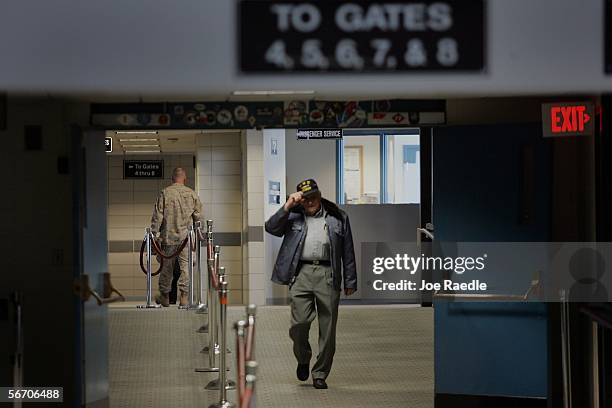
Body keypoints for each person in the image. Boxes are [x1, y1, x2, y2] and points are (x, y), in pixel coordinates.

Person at [265, 179, 357, 389]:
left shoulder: (337, 216)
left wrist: (350, 280)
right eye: (305, 199)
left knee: (328, 328)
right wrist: (287, 205)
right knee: (299, 325)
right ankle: (303, 358)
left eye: (313, 197)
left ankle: (320, 373)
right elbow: (271, 228)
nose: (309, 202)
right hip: (301, 273)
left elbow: (348, 251)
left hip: (327, 274)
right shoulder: (293, 215)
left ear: (320, 194)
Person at [151, 167, 202, 307]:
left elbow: (158, 215)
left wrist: (154, 234)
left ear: (172, 178)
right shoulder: (191, 194)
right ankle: (184, 297)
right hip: (186, 238)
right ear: (184, 178)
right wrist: (199, 235)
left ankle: (165, 296)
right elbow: (198, 217)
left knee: (166, 267)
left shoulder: (165, 193)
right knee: (185, 267)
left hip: (168, 237)